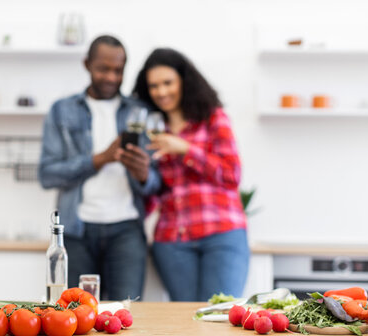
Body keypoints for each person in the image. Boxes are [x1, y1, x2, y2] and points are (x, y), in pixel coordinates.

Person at [38, 35, 160, 300]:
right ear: (87, 64)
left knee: (125, 317)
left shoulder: (141, 112)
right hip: (77, 231)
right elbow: (47, 174)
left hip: (127, 231)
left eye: (118, 70)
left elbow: (157, 182)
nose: (111, 77)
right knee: (73, 319)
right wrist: (100, 159)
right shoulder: (62, 111)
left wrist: (143, 175)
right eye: (103, 69)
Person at [132, 48, 249, 302]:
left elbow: (231, 173)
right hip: (172, 240)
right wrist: (141, 178)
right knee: (185, 324)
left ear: (184, 81)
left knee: (219, 318)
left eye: (167, 83)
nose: (161, 92)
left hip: (221, 234)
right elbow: (155, 194)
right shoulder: (152, 129)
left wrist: (184, 148)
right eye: (154, 86)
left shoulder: (213, 118)